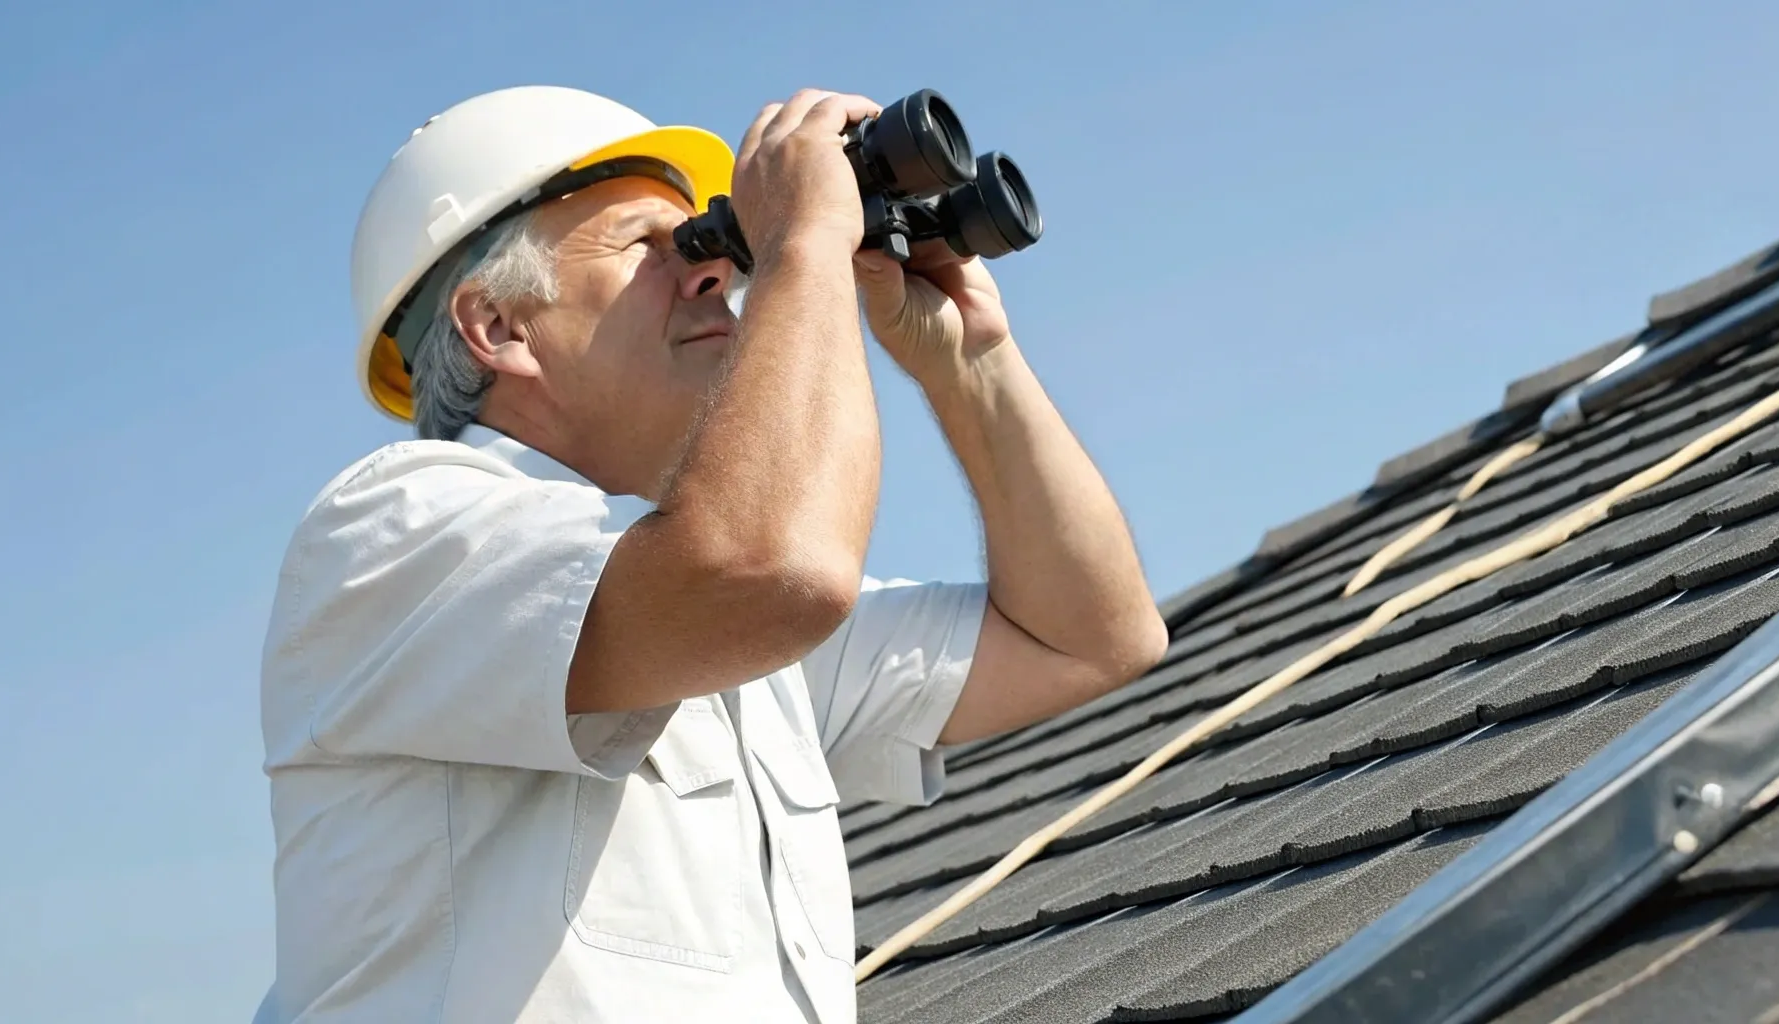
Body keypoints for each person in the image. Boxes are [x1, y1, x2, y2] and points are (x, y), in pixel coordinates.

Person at [252, 84, 1165, 1023]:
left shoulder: (712, 619)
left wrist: (966, 363)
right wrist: (802, 245)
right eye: (650, 248)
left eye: (707, 242)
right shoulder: (394, 534)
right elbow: (773, 570)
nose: (712, 274)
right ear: (499, 328)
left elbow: (1089, 637)